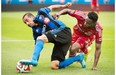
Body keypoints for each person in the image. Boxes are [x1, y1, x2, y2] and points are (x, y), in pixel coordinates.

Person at [20, 3, 86, 70]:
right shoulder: (35, 31)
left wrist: (64, 6)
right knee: (55, 65)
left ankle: (33, 59)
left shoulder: (41, 12)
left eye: (27, 20)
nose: (27, 23)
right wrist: (32, 62)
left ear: (32, 17)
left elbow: (52, 7)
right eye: (25, 23)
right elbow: (37, 46)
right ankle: (79, 57)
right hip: (59, 41)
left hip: (64, 31)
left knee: (40, 38)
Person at [53, 3, 103, 70]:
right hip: (76, 32)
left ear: (94, 23)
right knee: (71, 50)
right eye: (85, 21)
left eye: (88, 23)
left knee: (73, 48)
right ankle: (85, 52)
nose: (85, 24)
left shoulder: (98, 29)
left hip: (87, 37)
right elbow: (67, 10)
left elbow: (98, 49)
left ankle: (80, 55)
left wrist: (94, 66)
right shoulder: (81, 15)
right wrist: (58, 14)